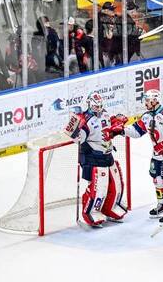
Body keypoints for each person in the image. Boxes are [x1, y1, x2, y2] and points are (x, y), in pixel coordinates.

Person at [65, 92, 128, 228]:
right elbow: (74, 138)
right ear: (89, 104)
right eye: (95, 106)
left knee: (116, 184)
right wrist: (75, 127)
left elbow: (107, 127)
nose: (98, 109)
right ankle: (91, 212)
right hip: (92, 158)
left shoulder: (104, 114)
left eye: (99, 106)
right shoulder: (85, 120)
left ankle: (110, 207)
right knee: (100, 187)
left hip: (108, 154)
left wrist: (116, 121)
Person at [123, 89, 163, 223]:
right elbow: (136, 132)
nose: (145, 103)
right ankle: (162, 205)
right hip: (157, 154)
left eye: (147, 100)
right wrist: (121, 130)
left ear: (155, 100)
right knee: (157, 180)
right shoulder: (146, 116)